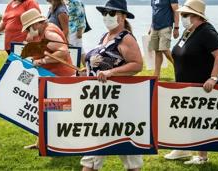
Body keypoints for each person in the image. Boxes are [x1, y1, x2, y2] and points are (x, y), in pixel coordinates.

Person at [80, 0, 143, 170]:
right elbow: (99, 63)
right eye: (105, 13)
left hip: (116, 102)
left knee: (123, 152)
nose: (107, 17)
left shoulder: (126, 38)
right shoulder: (104, 36)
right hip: (99, 101)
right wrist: (83, 71)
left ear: (122, 16)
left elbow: (137, 65)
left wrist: (111, 73)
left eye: (112, 13)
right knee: (123, 152)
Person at [167, 0, 218, 165]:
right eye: (181, 14)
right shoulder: (189, 31)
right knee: (186, 117)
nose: (181, 17)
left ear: (196, 16)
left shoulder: (207, 31)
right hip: (186, 83)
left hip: (202, 85)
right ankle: (183, 147)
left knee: (200, 120)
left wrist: (213, 78)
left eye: (185, 15)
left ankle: (202, 156)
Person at [20, 8, 76, 149]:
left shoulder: (49, 32)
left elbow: (63, 51)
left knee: (55, 112)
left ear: (36, 24)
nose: (27, 32)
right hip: (52, 77)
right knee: (47, 111)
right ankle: (41, 143)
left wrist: (43, 61)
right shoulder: (43, 30)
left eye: (28, 29)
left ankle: (61, 144)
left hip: (60, 77)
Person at [149, 0, 180, 79]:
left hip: (166, 26)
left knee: (164, 49)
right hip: (154, 27)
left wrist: (176, 27)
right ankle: (156, 76)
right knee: (157, 51)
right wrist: (150, 27)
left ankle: (179, 66)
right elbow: (154, 12)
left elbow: (176, 11)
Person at [67, 0, 87, 65]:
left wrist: (80, 30)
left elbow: (81, 16)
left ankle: (73, 67)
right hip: (72, 28)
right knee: (80, 49)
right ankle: (87, 67)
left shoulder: (75, 2)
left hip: (75, 29)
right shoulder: (70, 2)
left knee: (72, 49)